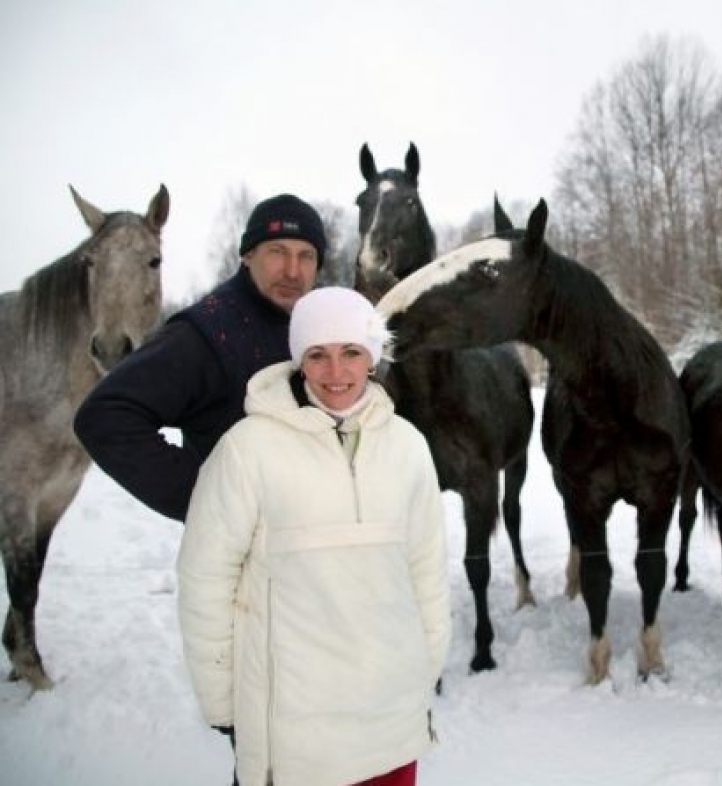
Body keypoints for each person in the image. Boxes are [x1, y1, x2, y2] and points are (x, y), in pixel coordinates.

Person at [176, 286, 451, 786]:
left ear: (371, 358)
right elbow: (204, 581)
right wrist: (223, 703)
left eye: (351, 352)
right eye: (318, 355)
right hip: (294, 734)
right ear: (299, 360)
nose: (336, 371)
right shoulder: (247, 450)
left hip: (390, 721)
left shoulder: (409, 448)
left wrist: (424, 671)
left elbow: (426, 571)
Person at [74, 193, 325, 522]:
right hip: (243, 556)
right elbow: (106, 418)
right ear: (248, 255)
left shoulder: (310, 326)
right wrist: (210, 498)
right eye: (277, 252)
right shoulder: (208, 331)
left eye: (305, 255)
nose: (293, 270)